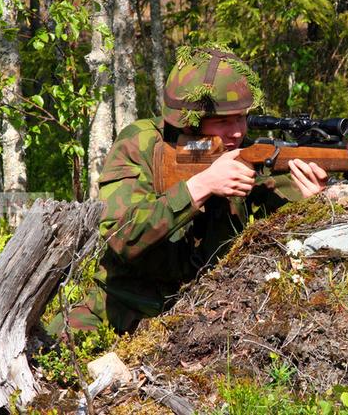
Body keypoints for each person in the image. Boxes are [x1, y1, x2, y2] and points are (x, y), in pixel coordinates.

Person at [48, 46, 328, 334]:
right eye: (222, 121)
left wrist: (309, 205)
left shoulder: (246, 155)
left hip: (205, 317)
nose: (236, 132)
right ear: (189, 120)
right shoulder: (142, 144)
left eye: (241, 117)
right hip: (121, 307)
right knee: (47, 351)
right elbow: (122, 236)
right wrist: (200, 187)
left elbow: (273, 226)